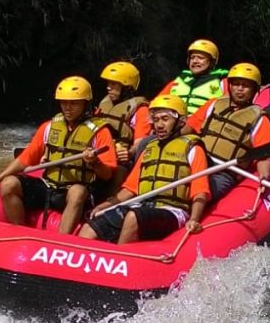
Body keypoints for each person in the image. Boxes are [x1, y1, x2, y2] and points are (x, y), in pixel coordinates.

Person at [0, 76, 117, 234]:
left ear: (85, 104)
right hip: (48, 186)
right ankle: (18, 234)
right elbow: (25, 160)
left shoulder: (100, 132)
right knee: (9, 184)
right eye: (64, 102)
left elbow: (107, 175)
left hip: (75, 192)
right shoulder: (49, 127)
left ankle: (60, 242)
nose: (67, 108)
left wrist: (94, 162)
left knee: (77, 191)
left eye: (73, 103)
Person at [79, 95, 210, 246]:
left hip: (173, 211)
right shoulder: (149, 148)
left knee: (133, 217)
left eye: (165, 119)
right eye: (156, 119)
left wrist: (194, 219)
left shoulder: (193, 149)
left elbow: (200, 191)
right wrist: (105, 205)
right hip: (142, 206)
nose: (159, 125)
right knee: (90, 227)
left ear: (180, 121)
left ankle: (120, 260)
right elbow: (130, 189)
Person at [184, 62, 270, 201]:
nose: (240, 89)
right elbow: (189, 127)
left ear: (255, 90)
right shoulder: (214, 104)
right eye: (236, 84)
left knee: (201, 195)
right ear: (229, 86)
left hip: (225, 172)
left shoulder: (260, 120)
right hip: (198, 161)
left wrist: (263, 176)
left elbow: (264, 156)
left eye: (245, 86)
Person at [95, 61, 151, 173]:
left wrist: (129, 152)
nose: (108, 88)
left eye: (113, 84)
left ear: (127, 87)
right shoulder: (104, 103)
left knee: (120, 172)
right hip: (98, 154)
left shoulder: (141, 110)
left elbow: (140, 142)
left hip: (121, 159)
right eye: (108, 84)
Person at [161, 38, 228, 113]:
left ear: (212, 62)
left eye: (200, 58)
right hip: (177, 122)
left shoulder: (222, 81)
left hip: (205, 123)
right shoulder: (179, 80)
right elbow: (158, 102)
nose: (195, 61)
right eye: (192, 57)